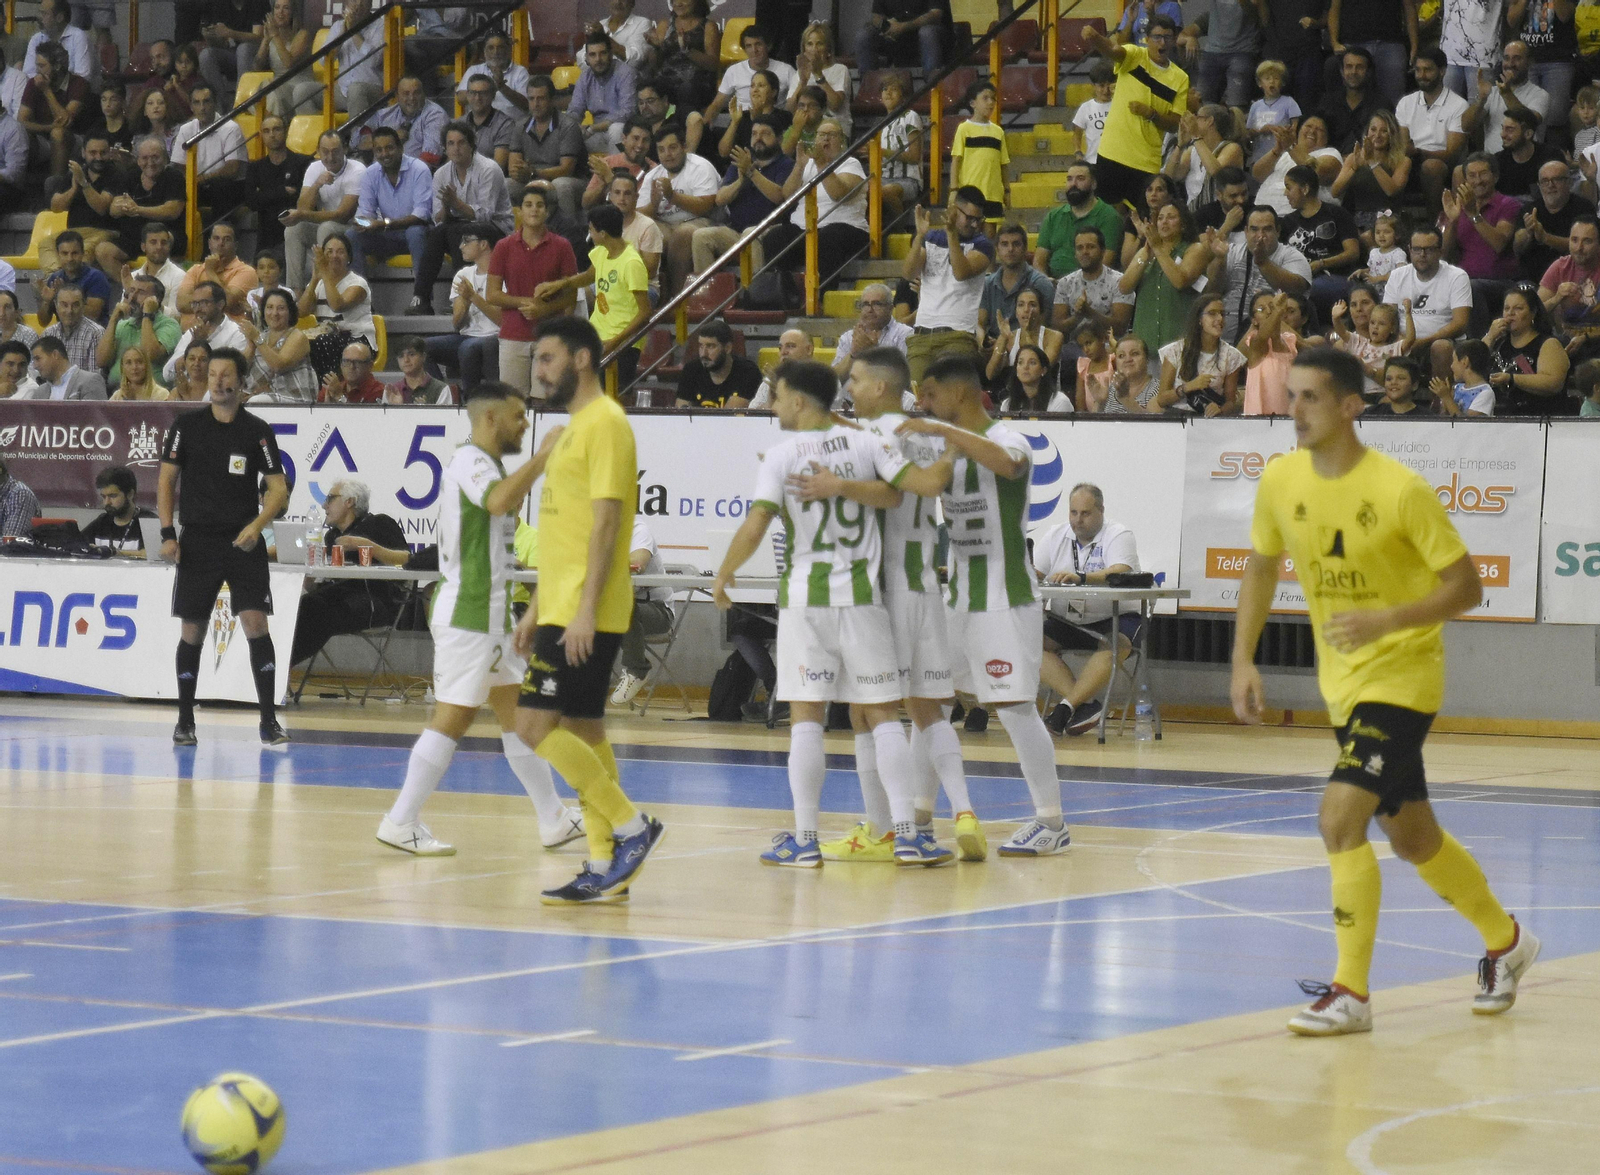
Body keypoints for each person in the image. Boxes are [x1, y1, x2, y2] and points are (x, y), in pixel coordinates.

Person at [1230, 346, 1539, 1035]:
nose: (1295, 410)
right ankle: (1507, 941)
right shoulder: (1281, 480)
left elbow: (1467, 585)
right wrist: (1242, 659)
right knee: (1414, 837)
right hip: (1344, 685)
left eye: (1312, 398)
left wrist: (1388, 617)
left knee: (1339, 819)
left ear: (1350, 406)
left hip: (1403, 675)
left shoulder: (1399, 489)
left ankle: (1352, 993)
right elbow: (1259, 566)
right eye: (1293, 395)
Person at [712, 357, 954, 867]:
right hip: (863, 599)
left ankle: (805, 840)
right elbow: (897, 494)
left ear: (799, 400)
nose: (772, 404)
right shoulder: (867, 443)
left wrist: (724, 572)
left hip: (806, 601)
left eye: (776, 395)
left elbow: (757, 524)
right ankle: (907, 835)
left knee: (807, 719)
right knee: (886, 716)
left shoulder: (780, 456)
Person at [378, 382, 584, 858]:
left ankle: (553, 818)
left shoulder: (484, 464)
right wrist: (544, 458)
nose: (526, 424)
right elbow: (496, 501)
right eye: (518, 415)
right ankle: (400, 819)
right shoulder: (472, 461)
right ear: (490, 418)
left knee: (519, 718)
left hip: (488, 614)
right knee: (454, 716)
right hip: (470, 612)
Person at [895, 355, 1073, 856]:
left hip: (1005, 595)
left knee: (1014, 706)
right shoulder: (942, 450)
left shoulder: (1010, 438)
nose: (924, 404)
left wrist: (939, 432)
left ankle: (1052, 822)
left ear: (959, 394)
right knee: (933, 702)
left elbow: (1007, 464)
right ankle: (919, 817)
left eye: (930, 394)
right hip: (956, 597)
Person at [517, 317, 666, 903]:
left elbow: (607, 525)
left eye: (548, 358)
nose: (539, 370)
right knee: (584, 730)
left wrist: (581, 611)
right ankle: (606, 863)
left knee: (532, 726)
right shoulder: (573, 428)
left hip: (587, 609)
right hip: (560, 604)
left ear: (581, 359)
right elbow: (565, 531)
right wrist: (537, 607)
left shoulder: (606, 423)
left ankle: (631, 826)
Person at [157, 347, 287, 747]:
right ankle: (184, 721)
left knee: (255, 624)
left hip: (242, 541)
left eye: (225, 374)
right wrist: (167, 533)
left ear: (241, 381)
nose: (216, 380)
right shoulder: (186, 425)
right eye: (211, 373)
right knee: (192, 629)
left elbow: (278, 490)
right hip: (197, 540)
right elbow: (165, 482)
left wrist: (259, 525)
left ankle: (268, 721)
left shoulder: (257, 430)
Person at [1034, 484, 1140, 737]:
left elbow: (1120, 570)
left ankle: (1066, 706)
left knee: (1116, 644)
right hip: (1068, 619)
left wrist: (1082, 577)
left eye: (1085, 513)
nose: (1077, 520)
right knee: (1028, 643)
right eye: (1073, 513)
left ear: (1101, 511)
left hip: (1116, 617)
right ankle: (1085, 706)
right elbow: (1033, 575)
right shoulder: (1056, 535)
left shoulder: (1118, 534)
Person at [288, 478, 410, 667]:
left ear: (349, 501)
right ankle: (277, 668)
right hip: (338, 596)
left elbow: (406, 559)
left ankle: (280, 669)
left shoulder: (379, 523)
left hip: (376, 599)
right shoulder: (331, 537)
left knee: (317, 610)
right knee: (301, 606)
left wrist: (364, 545)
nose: (324, 505)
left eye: (330, 498)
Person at [535, 203, 650, 389]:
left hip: (622, 342)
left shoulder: (631, 264)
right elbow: (589, 276)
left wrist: (614, 342)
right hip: (597, 337)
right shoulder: (601, 252)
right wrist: (560, 283)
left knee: (618, 396)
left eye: (591, 229)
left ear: (602, 233)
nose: (590, 234)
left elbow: (645, 312)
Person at [1080, 16, 1189, 210]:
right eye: (1156, 37)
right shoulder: (1134, 55)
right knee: (1107, 214)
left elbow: (1175, 123)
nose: (1162, 42)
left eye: (1167, 37)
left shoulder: (1180, 78)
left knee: (1144, 220)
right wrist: (1096, 37)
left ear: (1174, 40)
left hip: (1146, 162)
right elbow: (1113, 50)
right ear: (1146, 39)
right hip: (1112, 153)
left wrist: (1151, 114)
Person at [410, 122, 513, 317]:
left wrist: (456, 204)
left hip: (497, 229)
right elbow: (439, 218)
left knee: (460, 232)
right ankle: (421, 297)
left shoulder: (489, 169)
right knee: (437, 232)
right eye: (450, 143)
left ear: (472, 145)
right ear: (445, 148)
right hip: (457, 228)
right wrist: (448, 207)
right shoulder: (441, 174)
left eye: (461, 143)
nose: (456, 148)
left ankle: (461, 298)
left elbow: (485, 214)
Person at [487, 186, 578, 398]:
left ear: (547, 211)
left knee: (545, 403)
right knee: (512, 404)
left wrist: (544, 309)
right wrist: (527, 303)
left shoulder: (562, 246)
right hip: (513, 336)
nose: (534, 210)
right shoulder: (504, 246)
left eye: (539, 205)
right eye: (528, 205)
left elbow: (571, 295)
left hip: (550, 335)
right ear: (519, 211)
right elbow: (492, 294)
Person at [763, 118, 868, 291]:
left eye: (832, 135)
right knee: (775, 237)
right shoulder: (807, 164)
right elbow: (787, 196)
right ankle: (787, 294)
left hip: (847, 228)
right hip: (806, 229)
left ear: (842, 142)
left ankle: (826, 295)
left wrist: (821, 164)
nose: (826, 139)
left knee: (828, 237)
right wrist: (799, 166)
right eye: (822, 135)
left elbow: (838, 194)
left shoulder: (850, 163)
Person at [905, 189, 994, 383]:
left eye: (979, 219)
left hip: (958, 336)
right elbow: (909, 273)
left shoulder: (983, 245)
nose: (974, 224)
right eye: (969, 217)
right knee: (917, 399)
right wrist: (919, 236)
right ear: (954, 210)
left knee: (951, 400)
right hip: (922, 334)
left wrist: (952, 234)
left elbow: (961, 272)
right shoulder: (930, 238)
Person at [694, 116, 792, 276]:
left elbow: (779, 196)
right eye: (754, 134)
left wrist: (751, 172)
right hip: (736, 232)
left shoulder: (786, 164)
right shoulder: (741, 163)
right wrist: (740, 181)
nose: (758, 138)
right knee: (701, 236)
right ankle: (708, 296)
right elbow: (720, 199)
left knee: (750, 234)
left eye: (765, 134)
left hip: (771, 232)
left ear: (779, 138)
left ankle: (756, 295)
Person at [1207, 206, 1313, 346]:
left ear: (1278, 231)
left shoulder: (1292, 256)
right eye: (1254, 229)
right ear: (1245, 231)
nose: (1260, 235)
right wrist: (1220, 260)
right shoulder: (1230, 252)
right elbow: (1211, 292)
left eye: (1267, 229)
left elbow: (1296, 289)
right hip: (1225, 340)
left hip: (1272, 342)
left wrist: (1263, 262)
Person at [1442, 152, 1523, 334]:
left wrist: (1473, 214)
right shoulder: (1459, 208)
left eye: (1483, 174)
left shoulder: (1508, 205)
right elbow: (1445, 256)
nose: (1477, 181)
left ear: (1495, 176)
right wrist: (1453, 221)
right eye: (1472, 175)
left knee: (1470, 286)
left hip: (1501, 283)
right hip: (1463, 281)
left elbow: (1499, 243)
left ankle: (1478, 347)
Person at [637, 122, 719, 299]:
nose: (667, 155)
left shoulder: (700, 167)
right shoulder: (653, 175)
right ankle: (647, 293)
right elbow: (640, 217)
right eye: (661, 150)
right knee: (644, 231)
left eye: (672, 148)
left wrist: (672, 196)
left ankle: (677, 299)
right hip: (667, 224)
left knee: (682, 234)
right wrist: (653, 203)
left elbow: (706, 205)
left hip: (702, 220)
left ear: (684, 147)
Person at [1385, 226, 1474, 382]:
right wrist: (1401, 340)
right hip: (1403, 341)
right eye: (1417, 249)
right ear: (1409, 250)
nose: (1422, 255)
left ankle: (1441, 402)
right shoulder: (1397, 275)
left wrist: (1423, 342)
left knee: (1441, 347)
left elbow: (1461, 323)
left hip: (1441, 343)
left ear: (1440, 251)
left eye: (1429, 250)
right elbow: (1387, 316)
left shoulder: (1457, 276)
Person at [283, 131, 366, 296]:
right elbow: (303, 207)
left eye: (335, 151)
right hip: (327, 224)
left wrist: (302, 215)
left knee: (326, 228)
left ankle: (323, 287)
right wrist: (317, 185)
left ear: (345, 150)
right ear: (318, 151)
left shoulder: (357, 169)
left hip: (354, 226)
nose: (330, 157)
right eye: (325, 151)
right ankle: (296, 292)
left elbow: (343, 214)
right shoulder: (315, 168)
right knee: (293, 230)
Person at [1123, 201, 1212, 354]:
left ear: (1183, 224)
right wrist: (1144, 254)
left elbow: (1180, 281)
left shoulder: (1194, 249)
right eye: (1160, 218)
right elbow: (1124, 287)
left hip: (1180, 344)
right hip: (1145, 345)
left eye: (1171, 217)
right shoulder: (1147, 252)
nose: (1164, 221)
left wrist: (1158, 249)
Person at [347, 127, 433, 279]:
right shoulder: (371, 173)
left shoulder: (419, 169)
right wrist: (361, 222)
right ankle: (361, 297)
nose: (384, 154)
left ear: (400, 148)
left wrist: (384, 224)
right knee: (351, 235)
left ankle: (422, 297)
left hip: (415, 234)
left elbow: (422, 215)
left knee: (415, 232)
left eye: (389, 148)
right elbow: (366, 212)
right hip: (387, 236)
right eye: (379, 150)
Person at [1397, 48, 1469, 218]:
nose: (1421, 75)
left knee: (1432, 166)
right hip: (1410, 161)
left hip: (1444, 164)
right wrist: (1410, 152)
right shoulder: (1406, 102)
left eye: (1428, 70)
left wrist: (1420, 152)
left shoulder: (1458, 105)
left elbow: (1452, 154)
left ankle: (1435, 223)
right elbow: (1402, 143)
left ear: (1442, 71)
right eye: (1418, 70)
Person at [609, 516, 674, 705]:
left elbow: (638, 563)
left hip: (657, 610)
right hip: (612, 609)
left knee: (621, 606)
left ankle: (637, 669)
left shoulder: (637, 528)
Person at [1283, 163, 1361, 321]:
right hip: (1299, 281)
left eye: (1289, 187)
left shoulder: (1337, 214)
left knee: (1312, 290)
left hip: (1334, 277)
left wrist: (1321, 263)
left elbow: (1353, 253)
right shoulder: (1287, 222)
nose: (1285, 193)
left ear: (1304, 189)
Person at [428, 222, 501, 389]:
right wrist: (465, 303)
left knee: (468, 348)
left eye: (467, 241)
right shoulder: (463, 274)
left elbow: (502, 321)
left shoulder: (504, 274)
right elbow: (457, 324)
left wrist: (474, 297)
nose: (461, 246)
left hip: (495, 335)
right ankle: (443, 393)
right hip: (467, 335)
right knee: (422, 347)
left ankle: (470, 399)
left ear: (483, 244)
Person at [507, 76, 585, 223]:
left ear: (552, 100)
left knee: (561, 185)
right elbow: (513, 167)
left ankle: (568, 236)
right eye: (531, 99)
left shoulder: (568, 126)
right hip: (532, 177)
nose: (535, 104)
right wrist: (521, 172)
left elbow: (567, 169)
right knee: (506, 185)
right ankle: (510, 236)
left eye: (541, 98)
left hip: (572, 180)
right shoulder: (520, 126)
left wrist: (534, 173)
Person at [103, 138, 188, 269]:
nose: (150, 162)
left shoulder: (174, 177)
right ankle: (130, 287)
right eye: (145, 158)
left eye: (155, 157)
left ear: (165, 159)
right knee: (103, 251)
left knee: (156, 242)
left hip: (166, 233)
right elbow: (113, 210)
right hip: (135, 237)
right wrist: (124, 207)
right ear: (138, 161)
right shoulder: (131, 176)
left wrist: (138, 210)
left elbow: (172, 211)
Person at [1484, 286, 1570, 413]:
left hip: (1539, 417)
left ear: (1533, 313)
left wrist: (1511, 379)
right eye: (1507, 308)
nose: (1510, 313)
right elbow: (1469, 363)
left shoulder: (1548, 344)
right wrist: (1489, 337)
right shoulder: (1498, 342)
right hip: (1499, 416)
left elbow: (1553, 383)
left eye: (1518, 308)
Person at [1329, 111, 1412, 243]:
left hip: (1389, 220)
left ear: (1392, 135)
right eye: (1373, 129)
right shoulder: (1353, 158)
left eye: (1384, 131)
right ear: (1366, 133)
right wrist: (1354, 168)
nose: (1377, 135)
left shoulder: (1402, 161)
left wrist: (1372, 162)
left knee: (1369, 238)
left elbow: (1391, 190)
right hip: (1358, 219)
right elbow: (1335, 191)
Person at [1157, 294, 1246, 414]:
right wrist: (1188, 387)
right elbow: (1162, 400)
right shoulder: (1175, 350)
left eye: (1222, 314)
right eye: (1212, 313)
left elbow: (1230, 402)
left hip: (1208, 420)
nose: (1220, 318)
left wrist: (1219, 409)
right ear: (1199, 319)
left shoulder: (1231, 355)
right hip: (1176, 417)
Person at [44, 133, 119, 271]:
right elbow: (55, 207)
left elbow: (101, 207)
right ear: (83, 153)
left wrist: (84, 184)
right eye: (93, 152)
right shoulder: (75, 173)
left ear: (110, 153)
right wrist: (73, 189)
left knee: (85, 248)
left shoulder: (116, 174)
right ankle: (55, 278)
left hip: (105, 231)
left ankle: (76, 281)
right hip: (75, 232)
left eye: (103, 153)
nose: (98, 157)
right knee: (46, 244)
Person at [173, 82, 247, 218]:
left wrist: (201, 179)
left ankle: (221, 232)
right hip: (198, 185)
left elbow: (232, 169)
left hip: (226, 186)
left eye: (206, 102)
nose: (202, 108)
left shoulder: (231, 128)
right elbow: (178, 166)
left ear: (215, 103)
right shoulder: (186, 129)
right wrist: (192, 181)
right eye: (197, 103)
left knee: (221, 186)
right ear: (191, 107)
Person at [1509, 0, 1577, 146]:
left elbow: (1565, 15)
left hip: (1558, 60)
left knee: (1555, 118)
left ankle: (1553, 159)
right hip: (1527, 61)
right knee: (1525, 118)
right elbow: (1511, 20)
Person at [1463, 40, 1549, 155]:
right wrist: (1481, 99)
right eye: (1506, 58)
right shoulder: (1492, 92)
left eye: (1517, 58)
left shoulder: (1540, 94)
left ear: (1529, 63)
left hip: (1523, 161)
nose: (1510, 64)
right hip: (1492, 162)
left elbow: (1529, 122)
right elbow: (1466, 126)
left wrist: (1506, 93)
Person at [1515, 161, 1594, 284]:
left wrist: (1545, 238)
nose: (1550, 185)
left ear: (1569, 182)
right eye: (1545, 181)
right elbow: (1517, 248)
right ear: (1539, 185)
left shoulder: (1583, 208)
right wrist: (1529, 233)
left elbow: (1583, 247)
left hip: (1571, 280)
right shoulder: (1529, 209)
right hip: (1530, 281)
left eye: (1556, 179)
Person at [95, 273, 179, 390]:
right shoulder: (122, 325)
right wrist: (113, 320)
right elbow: (101, 361)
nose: (132, 297)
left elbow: (149, 355)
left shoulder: (169, 325)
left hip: (151, 394)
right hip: (116, 391)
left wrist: (147, 315)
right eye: (132, 291)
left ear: (156, 300)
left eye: (141, 292)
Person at [298, 232, 375, 356]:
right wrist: (314, 279)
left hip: (357, 339)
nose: (334, 256)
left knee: (322, 342)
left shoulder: (358, 284)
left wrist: (324, 272)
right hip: (326, 338)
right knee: (297, 341)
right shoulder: (319, 282)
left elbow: (337, 306)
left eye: (340, 252)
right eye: (329, 252)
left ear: (349, 257)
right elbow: (301, 312)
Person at [1052, 225, 1135, 339]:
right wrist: (1077, 317)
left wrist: (1090, 313)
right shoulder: (1065, 283)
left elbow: (1120, 328)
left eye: (1090, 247)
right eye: (1080, 248)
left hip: (1110, 347)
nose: (1085, 252)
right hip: (1074, 348)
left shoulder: (1120, 282)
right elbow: (1057, 328)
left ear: (1103, 251)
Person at [19, 42, 87, 181]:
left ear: (57, 66)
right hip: (43, 136)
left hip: (75, 138)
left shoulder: (79, 84)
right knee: (18, 134)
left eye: (42, 66)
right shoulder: (33, 83)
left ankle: (55, 188)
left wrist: (46, 90)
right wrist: (48, 127)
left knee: (58, 133)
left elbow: (65, 122)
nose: (37, 70)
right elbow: (22, 121)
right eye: (37, 65)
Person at [645, 0, 720, 124]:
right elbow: (654, 65)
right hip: (666, 79)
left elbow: (712, 65)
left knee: (686, 87)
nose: (678, 3)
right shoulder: (665, 25)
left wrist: (687, 50)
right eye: (675, 0)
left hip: (697, 82)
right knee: (648, 85)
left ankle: (684, 128)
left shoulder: (708, 26)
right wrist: (655, 48)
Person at [978, 224, 1055, 343]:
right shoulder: (987, 284)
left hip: (1029, 347)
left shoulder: (1041, 284)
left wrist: (1006, 343)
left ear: (1025, 249)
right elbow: (980, 324)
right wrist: (983, 343)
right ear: (997, 249)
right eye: (1004, 244)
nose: (1010, 249)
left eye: (1016, 244)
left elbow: (1043, 330)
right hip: (994, 346)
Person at [1254, 114, 1344, 217]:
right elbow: (1258, 175)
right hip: (1261, 216)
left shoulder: (1330, 153)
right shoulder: (1285, 154)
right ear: (1298, 131)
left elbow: (1319, 173)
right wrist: (1277, 150)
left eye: (1319, 130)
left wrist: (1290, 147)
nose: (1312, 131)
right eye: (1308, 126)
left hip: (1298, 222)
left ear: (1327, 138)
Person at [707, 24, 797, 126]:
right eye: (749, 46)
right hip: (742, 123)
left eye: (758, 44)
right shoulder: (734, 71)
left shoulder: (786, 70)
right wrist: (705, 124)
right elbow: (717, 104)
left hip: (775, 123)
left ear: (769, 46)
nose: (754, 50)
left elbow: (798, 101)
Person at [246, 114, 310, 254]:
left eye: (276, 129)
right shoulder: (255, 168)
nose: (272, 135)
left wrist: (264, 195)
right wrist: (282, 191)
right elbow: (251, 202)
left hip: (295, 229)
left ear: (286, 131)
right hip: (266, 235)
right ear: (261, 135)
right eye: (266, 131)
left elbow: (302, 198)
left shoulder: (302, 163)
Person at [240, 287, 315, 404]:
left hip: (295, 399)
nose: (275, 313)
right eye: (269, 307)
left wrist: (256, 338)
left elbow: (278, 365)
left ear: (290, 312)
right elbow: (241, 369)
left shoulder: (297, 336)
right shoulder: (261, 336)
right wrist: (250, 345)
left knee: (256, 401)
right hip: (260, 395)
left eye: (281, 308)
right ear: (263, 312)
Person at [166, 280, 250, 384]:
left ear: (220, 304)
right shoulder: (191, 334)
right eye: (195, 304)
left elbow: (233, 372)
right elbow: (167, 374)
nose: (198, 309)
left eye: (204, 303)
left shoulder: (237, 333)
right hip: (189, 393)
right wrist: (195, 344)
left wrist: (202, 345)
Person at [567, 33, 638, 156]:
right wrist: (573, 126)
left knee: (616, 129)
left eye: (603, 53)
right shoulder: (585, 78)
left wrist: (594, 128)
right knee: (566, 134)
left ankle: (618, 173)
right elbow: (575, 110)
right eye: (592, 55)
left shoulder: (626, 73)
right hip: (596, 135)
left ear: (611, 54)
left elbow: (628, 111)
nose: (598, 59)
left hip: (626, 135)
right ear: (587, 59)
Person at [175, 221, 256, 325]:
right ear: (209, 243)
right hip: (191, 334)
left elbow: (227, 301)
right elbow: (181, 304)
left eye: (227, 239)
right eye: (216, 238)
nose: (221, 243)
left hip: (227, 335)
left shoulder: (246, 272)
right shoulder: (195, 270)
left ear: (235, 245)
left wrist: (210, 272)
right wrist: (215, 304)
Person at [1166, 105, 1244, 211]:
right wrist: (1180, 145)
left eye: (1197, 117)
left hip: (1219, 212)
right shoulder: (1192, 151)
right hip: (1193, 211)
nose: (1194, 121)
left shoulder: (1232, 148)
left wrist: (1196, 136)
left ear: (1209, 121)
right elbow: (1170, 176)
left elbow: (1216, 171)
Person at [950, 81, 1008, 221]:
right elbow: (956, 161)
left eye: (993, 98)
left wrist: (1007, 191)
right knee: (971, 232)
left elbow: (1004, 164)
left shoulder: (998, 131)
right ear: (972, 103)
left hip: (993, 194)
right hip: (971, 194)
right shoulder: (964, 129)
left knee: (989, 238)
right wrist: (954, 190)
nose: (990, 102)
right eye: (985, 98)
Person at [673, 319, 762, 408]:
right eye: (701, 346)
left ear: (727, 348)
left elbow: (731, 416)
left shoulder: (747, 371)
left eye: (710, 346)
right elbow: (681, 411)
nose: (704, 353)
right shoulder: (691, 370)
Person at [986, 288, 1061, 394]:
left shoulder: (1054, 336)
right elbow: (990, 374)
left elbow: (1041, 370)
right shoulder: (1008, 337)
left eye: (1032, 305)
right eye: (1021, 305)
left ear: (1041, 312)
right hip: (1014, 396)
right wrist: (1003, 338)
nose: (1026, 309)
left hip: (1045, 395)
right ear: (1016, 312)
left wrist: (1028, 333)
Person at [832, 285, 912, 382]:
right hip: (852, 395)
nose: (870, 310)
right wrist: (854, 354)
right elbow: (835, 379)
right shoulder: (848, 337)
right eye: (866, 304)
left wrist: (874, 352)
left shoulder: (905, 334)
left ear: (890, 308)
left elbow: (903, 377)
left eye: (876, 304)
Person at [253, 0, 318, 120]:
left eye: (286, 8)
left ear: (293, 13)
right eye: (277, 8)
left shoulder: (302, 34)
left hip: (299, 89)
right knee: (263, 89)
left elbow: (288, 62)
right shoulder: (272, 36)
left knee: (269, 90)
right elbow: (257, 67)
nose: (280, 12)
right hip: (277, 89)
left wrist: (275, 35)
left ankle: (272, 125)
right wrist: (266, 40)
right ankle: (273, 126)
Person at [1537, 215, 1600, 337]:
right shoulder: (1560, 267)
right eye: (1574, 240)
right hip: (1565, 341)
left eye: (1587, 241)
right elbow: (1534, 312)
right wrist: (1556, 298)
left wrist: (1586, 337)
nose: (1579, 248)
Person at [325, 0, 386, 126]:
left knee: (355, 89)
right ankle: (323, 137)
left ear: (370, 4)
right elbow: (323, 61)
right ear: (346, 3)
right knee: (303, 91)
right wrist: (344, 30)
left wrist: (353, 31)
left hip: (372, 89)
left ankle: (357, 141)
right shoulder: (338, 26)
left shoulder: (381, 25)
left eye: (363, 1)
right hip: (342, 90)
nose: (358, 5)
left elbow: (373, 61)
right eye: (354, 0)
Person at [367, 76, 447, 169]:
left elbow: (431, 158)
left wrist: (400, 176)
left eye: (416, 93)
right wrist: (392, 137)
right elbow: (361, 142)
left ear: (423, 94)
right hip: (379, 174)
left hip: (414, 176)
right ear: (397, 96)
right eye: (406, 93)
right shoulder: (383, 115)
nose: (412, 98)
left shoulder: (435, 114)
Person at [854, 0, 951, 77]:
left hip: (928, 36)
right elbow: (876, 16)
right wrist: (886, 27)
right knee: (863, 36)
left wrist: (903, 27)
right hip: (894, 36)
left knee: (927, 32)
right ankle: (868, 87)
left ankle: (932, 86)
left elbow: (935, 15)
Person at [1315, 46, 1383, 153]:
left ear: (1368, 72)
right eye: (1349, 67)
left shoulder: (1381, 105)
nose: (1353, 72)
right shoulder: (1328, 102)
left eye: (1359, 67)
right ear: (1342, 71)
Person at [874, 71, 922, 219]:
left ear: (903, 96)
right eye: (885, 89)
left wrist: (883, 152)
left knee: (886, 191)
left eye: (893, 89)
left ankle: (899, 231)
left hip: (908, 179)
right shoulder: (880, 124)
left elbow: (914, 156)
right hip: (884, 177)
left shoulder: (910, 116)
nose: (888, 92)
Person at [36, 230, 110, 326]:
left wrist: (63, 293)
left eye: (74, 253)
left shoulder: (96, 277)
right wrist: (46, 301)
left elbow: (93, 315)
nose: (70, 258)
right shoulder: (54, 278)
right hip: (65, 334)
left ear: (83, 253)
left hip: (94, 335)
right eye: (65, 253)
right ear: (58, 255)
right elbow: (43, 322)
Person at [584, 118, 656, 210]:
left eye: (645, 140)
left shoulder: (654, 170)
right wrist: (603, 184)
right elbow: (586, 203)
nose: (640, 145)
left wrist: (610, 178)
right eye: (635, 138)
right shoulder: (607, 163)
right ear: (624, 139)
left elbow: (637, 208)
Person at [457, 31, 530, 120]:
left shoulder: (520, 72)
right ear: (484, 51)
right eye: (491, 48)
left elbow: (526, 105)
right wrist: (489, 89)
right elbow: (461, 98)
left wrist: (502, 87)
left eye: (500, 47)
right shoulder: (474, 70)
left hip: (512, 126)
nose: (496, 52)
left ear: (509, 49)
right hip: (479, 125)